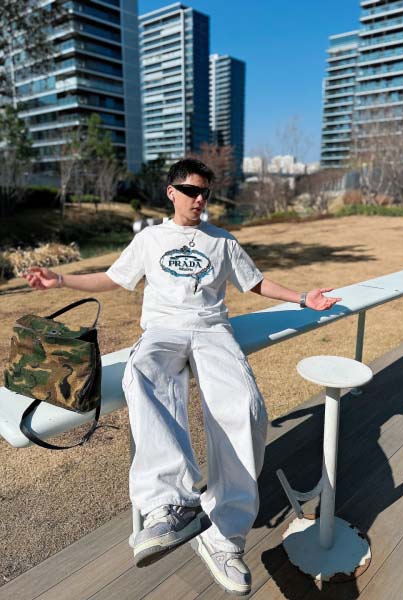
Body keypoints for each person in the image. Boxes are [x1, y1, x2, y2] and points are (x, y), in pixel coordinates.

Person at [23, 158, 341, 596]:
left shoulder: (222, 240)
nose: (199, 199)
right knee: (141, 374)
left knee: (246, 407)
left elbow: (255, 283)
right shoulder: (150, 239)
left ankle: (224, 537)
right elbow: (114, 278)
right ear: (171, 192)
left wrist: (304, 298)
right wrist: (59, 278)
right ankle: (171, 504)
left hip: (213, 331)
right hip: (163, 330)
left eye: (205, 192)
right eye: (191, 191)